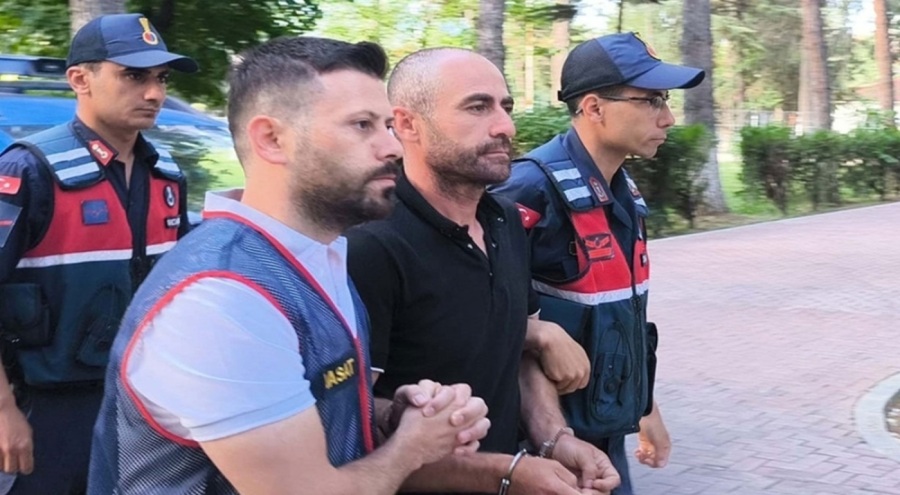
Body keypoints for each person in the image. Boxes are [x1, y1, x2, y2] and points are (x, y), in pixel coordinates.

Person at [87, 36, 490, 494]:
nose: (392, 147)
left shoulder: (317, 254)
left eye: (388, 126)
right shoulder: (222, 300)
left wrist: (395, 416)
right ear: (272, 139)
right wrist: (413, 446)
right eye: (362, 125)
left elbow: (312, 410)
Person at [346, 47, 620, 495]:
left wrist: (554, 439)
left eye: (505, 107)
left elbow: (517, 354)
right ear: (407, 124)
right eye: (477, 107)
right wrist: (504, 473)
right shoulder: (370, 244)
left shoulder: (505, 221)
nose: (504, 126)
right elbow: (350, 420)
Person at [490, 32, 706, 494]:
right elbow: (468, 307)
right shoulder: (527, 189)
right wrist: (538, 333)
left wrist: (646, 409)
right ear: (593, 108)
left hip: (603, 431)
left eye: (665, 101)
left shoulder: (622, 192)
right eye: (651, 101)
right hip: (542, 444)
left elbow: (622, 318)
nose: (668, 118)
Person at [0, 13, 197, 494]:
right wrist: (3, 411)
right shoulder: (29, 171)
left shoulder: (167, 178)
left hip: (142, 408)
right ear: (79, 79)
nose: (153, 93)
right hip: (43, 411)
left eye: (161, 78)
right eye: (133, 76)